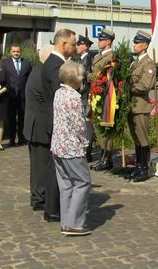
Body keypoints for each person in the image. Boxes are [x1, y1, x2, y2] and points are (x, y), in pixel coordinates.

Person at [51, 60, 92, 236]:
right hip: (72, 147)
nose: (82, 79)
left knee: (66, 184)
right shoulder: (74, 97)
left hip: (57, 145)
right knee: (82, 182)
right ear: (74, 78)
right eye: (81, 76)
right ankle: (75, 223)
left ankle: (66, 222)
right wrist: (85, 143)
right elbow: (79, 126)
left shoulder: (58, 93)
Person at [40, 28, 77, 222]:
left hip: (54, 120)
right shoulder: (56, 66)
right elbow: (61, 94)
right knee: (57, 167)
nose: (75, 47)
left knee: (56, 166)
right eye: (73, 44)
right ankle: (52, 208)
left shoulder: (54, 63)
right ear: (63, 44)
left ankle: (53, 205)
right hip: (57, 122)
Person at [125, 30, 156, 182]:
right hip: (132, 106)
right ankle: (138, 166)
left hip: (141, 107)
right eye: (134, 42)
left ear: (145, 45)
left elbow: (145, 85)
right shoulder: (135, 62)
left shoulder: (148, 64)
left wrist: (127, 86)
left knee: (143, 139)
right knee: (136, 139)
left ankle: (145, 169)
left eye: (137, 43)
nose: (134, 45)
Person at [23, 52, 49, 211]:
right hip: (39, 126)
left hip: (33, 125)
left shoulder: (36, 70)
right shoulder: (42, 74)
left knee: (37, 166)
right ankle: (40, 198)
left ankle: (37, 196)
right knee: (40, 165)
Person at [88, 28, 115, 171]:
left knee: (105, 127)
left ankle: (107, 158)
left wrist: (87, 75)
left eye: (102, 39)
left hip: (105, 96)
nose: (99, 41)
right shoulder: (98, 56)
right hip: (95, 95)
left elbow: (100, 76)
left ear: (109, 41)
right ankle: (103, 157)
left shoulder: (111, 57)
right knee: (98, 128)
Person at [2, 43, 32, 147]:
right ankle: (11, 139)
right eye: (14, 51)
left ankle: (21, 138)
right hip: (10, 95)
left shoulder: (27, 63)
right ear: (10, 52)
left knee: (22, 118)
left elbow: (29, 79)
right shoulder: (5, 63)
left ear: (21, 52)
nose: (16, 53)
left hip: (23, 96)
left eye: (18, 51)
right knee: (10, 118)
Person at [74, 35, 94, 162]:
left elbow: (85, 79)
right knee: (82, 124)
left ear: (85, 47)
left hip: (85, 95)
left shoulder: (88, 59)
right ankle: (84, 149)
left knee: (87, 124)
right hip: (81, 95)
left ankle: (87, 151)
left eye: (79, 44)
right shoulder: (81, 59)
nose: (77, 46)